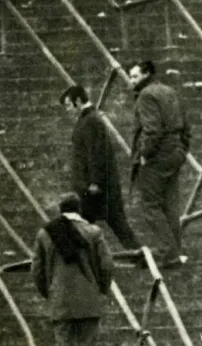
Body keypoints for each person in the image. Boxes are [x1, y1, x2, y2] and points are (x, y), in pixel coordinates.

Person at [31, 192, 113, 346]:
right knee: (87, 344)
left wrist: (48, 292)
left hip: (59, 297)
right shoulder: (94, 232)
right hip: (88, 296)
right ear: (79, 210)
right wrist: (101, 288)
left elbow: (37, 270)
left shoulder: (45, 234)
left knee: (63, 344)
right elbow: (107, 265)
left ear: (61, 210)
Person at [59, 84, 141, 252]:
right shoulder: (89, 120)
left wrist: (95, 182)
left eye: (68, 105)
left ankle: (140, 255)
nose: (67, 110)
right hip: (91, 188)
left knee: (100, 223)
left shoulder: (91, 121)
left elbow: (97, 153)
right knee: (88, 224)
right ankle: (139, 255)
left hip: (94, 189)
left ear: (79, 101)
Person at [128, 60, 191, 269]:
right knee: (170, 205)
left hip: (157, 155)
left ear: (146, 74)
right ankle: (175, 252)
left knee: (150, 205)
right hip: (175, 152)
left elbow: (152, 129)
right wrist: (183, 148)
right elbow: (185, 124)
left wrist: (144, 154)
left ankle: (168, 252)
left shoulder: (146, 96)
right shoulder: (170, 91)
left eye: (135, 76)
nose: (131, 81)